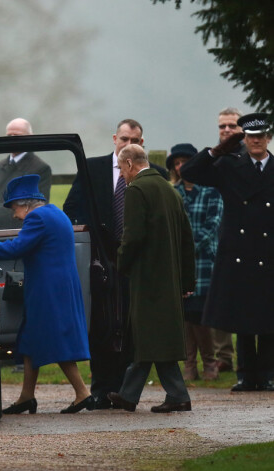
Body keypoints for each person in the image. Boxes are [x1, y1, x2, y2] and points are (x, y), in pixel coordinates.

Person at [63, 119, 168, 409]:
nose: (128, 144)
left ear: (142, 143)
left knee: (134, 323)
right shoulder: (92, 168)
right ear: (114, 139)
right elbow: (71, 208)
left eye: (134, 140)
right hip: (101, 260)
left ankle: (125, 390)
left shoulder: (155, 174)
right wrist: (95, 233)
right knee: (102, 323)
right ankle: (101, 388)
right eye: (123, 138)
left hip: (138, 261)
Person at [0, 174, 93, 414]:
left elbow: (18, 247)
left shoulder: (37, 218)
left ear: (26, 204)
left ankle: (83, 393)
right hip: (59, 286)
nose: (13, 214)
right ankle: (26, 397)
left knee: (56, 340)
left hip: (47, 289)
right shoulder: (55, 213)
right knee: (30, 340)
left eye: (14, 207)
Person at [181, 112, 274, 391]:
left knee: (269, 317)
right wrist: (215, 151)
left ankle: (268, 374)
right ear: (243, 139)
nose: (256, 142)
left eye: (261, 137)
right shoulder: (229, 164)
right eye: (251, 137)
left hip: (269, 250)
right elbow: (189, 172)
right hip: (239, 251)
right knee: (244, 316)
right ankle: (245, 375)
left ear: (268, 138)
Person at [107, 144, 195, 413]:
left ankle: (172, 395)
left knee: (149, 335)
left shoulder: (137, 190)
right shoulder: (170, 191)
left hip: (147, 277)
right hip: (169, 277)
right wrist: (187, 281)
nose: (122, 176)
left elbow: (132, 237)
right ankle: (133, 395)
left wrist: (120, 264)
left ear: (131, 164)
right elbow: (186, 239)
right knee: (154, 336)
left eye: (122, 169)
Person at [167, 143, 223, 381]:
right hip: (179, 262)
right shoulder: (172, 192)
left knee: (201, 312)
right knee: (185, 313)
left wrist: (189, 247)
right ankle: (189, 364)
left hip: (204, 262)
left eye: (185, 162)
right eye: (177, 163)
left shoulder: (211, 191)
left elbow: (213, 224)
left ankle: (210, 363)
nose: (181, 167)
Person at [0, 118, 51, 229]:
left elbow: (36, 206)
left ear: (30, 137)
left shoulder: (40, 168)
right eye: (9, 136)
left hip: (19, 232)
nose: (12, 139)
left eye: (17, 135)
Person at [212, 107, 244, 373]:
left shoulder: (252, 156)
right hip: (218, 236)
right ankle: (223, 355)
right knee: (221, 297)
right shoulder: (215, 159)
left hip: (248, 240)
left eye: (232, 126)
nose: (226, 131)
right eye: (222, 126)